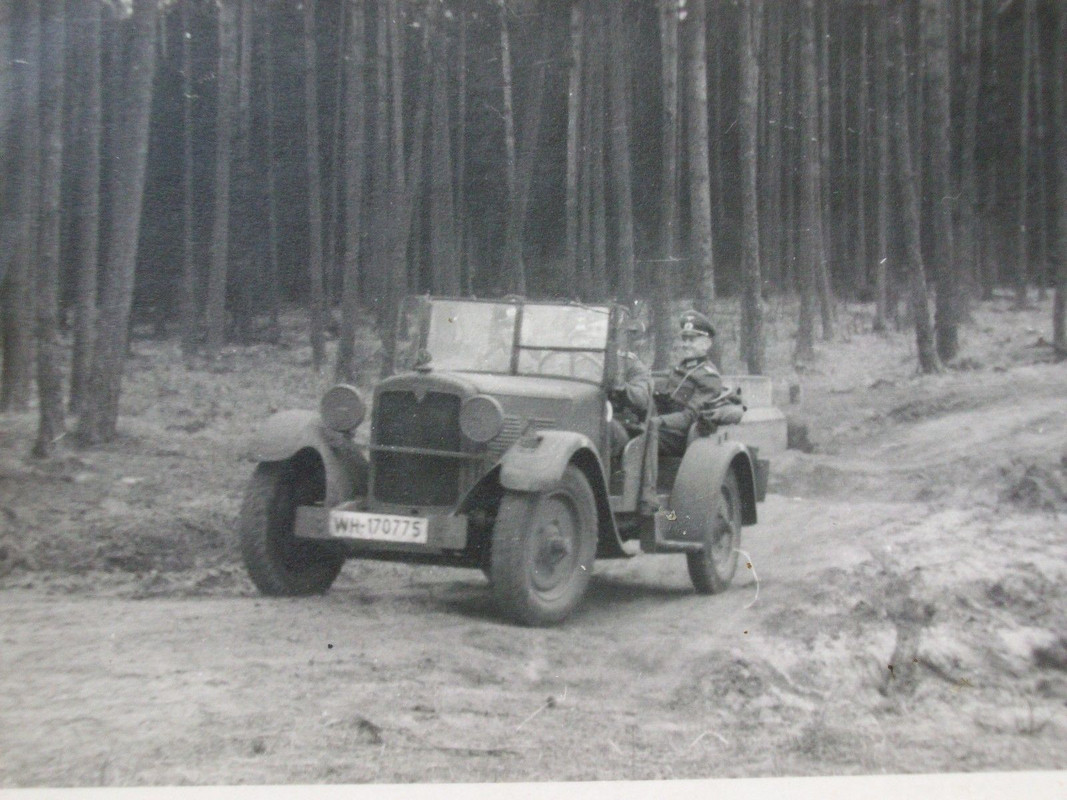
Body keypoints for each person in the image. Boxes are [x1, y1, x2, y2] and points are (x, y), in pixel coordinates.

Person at [655, 309, 744, 456]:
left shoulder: (709, 377)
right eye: (684, 339)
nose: (686, 344)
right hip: (666, 428)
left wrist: (659, 421)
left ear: (706, 344)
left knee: (645, 435)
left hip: (682, 435)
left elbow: (689, 417)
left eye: (692, 340)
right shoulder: (680, 368)